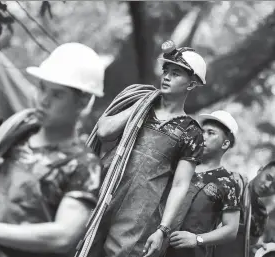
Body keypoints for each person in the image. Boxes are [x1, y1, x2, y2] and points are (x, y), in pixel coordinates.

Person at [0, 43, 105, 257]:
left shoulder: (83, 165)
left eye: (57, 95)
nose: (43, 100)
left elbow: (64, 236)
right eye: (42, 88)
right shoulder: (12, 137)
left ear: (82, 101)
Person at [87, 40, 206, 257]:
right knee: (81, 243)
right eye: (166, 71)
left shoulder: (191, 132)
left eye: (176, 73)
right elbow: (103, 132)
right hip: (104, 188)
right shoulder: (140, 104)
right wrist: (141, 106)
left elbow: (180, 185)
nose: (167, 77)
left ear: (191, 84)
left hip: (140, 210)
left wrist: (163, 229)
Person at [164, 110, 242, 257]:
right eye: (202, 132)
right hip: (154, 243)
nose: (202, 137)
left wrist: (197, 239)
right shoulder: (180, 163)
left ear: (225, 143)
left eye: (210, 133)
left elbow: (231, 229)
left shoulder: (228, 183)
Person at [214, 160, 275, 257]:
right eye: (268, 178)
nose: (267, 185)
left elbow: (247, 246)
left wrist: (257, 248)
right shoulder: (231, 185)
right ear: (260, 170)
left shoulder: (261, 215)